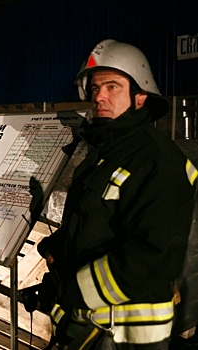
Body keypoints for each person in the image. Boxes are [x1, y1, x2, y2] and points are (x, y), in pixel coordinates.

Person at [37, 39, 196, 349]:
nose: (100, 97)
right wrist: (59, 246)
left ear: (140, 97)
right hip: (93, 324)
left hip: (127, 333)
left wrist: (75, 290)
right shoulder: (107, 153)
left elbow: (151, 254)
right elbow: (97, 219)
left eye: (112, 87)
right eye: (95, 88)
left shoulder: (159, 161)